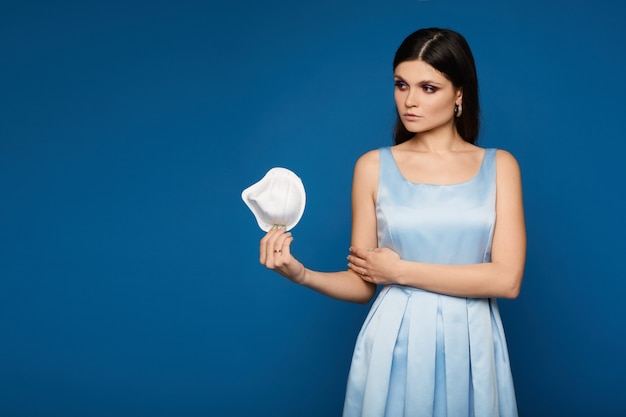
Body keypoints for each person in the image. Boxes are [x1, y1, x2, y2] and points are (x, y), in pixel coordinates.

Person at [259, 27, 525, 417]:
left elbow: (507, 280)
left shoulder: (500, 166)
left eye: (428, 88)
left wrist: (401, 271)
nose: (409, 101)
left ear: (460, 93)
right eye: (401, 85)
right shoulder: (372, 166)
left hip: (473, 342)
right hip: (394, 340)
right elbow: (364, 283)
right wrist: (302, 274)